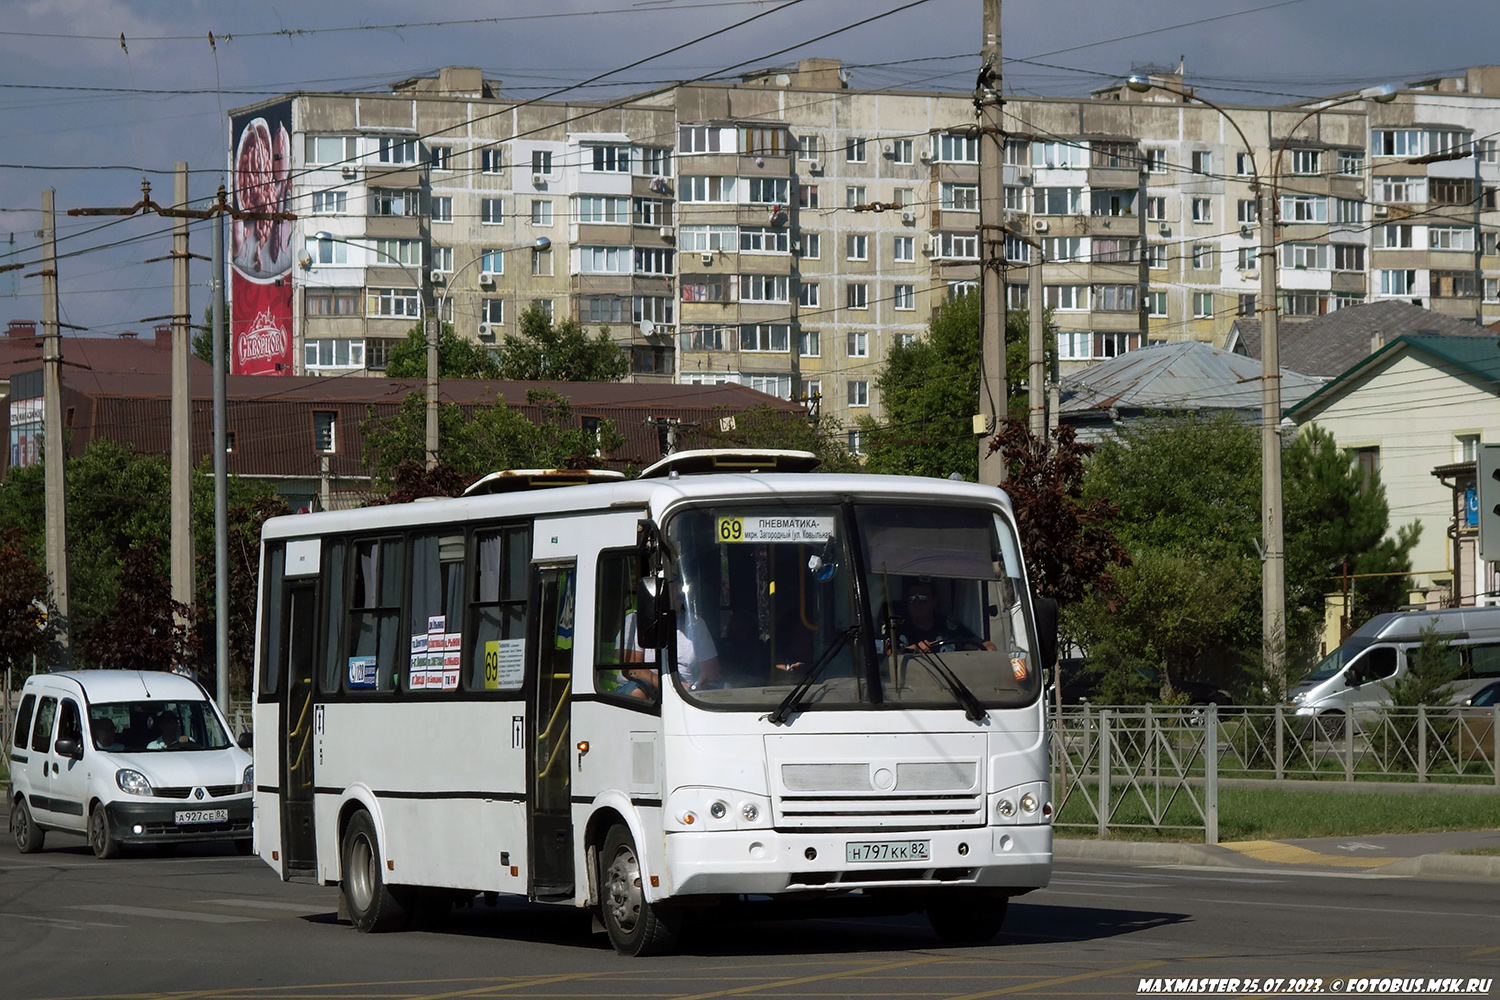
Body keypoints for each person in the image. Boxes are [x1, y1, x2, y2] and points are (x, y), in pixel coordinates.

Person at [896, 579, 996, 653]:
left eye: (922, 598)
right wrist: (915, 649)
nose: (917, 603)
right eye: (912, 598)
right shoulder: (899, 628)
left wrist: (988, 649)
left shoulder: (949, 626)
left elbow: (982, 644)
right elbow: (888, 656)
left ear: (934, 601)